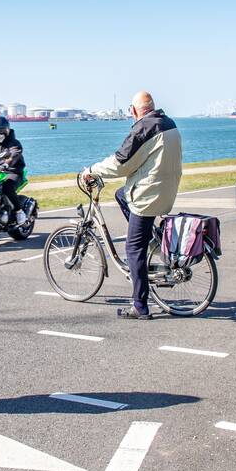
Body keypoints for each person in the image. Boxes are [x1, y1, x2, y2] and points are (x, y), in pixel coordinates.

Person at [83, 91, 182, 319]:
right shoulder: (169, 123)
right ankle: (153, 241)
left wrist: (92, 170)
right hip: (166, 191)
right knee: (121, 194)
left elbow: (121, 163)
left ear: (134, 110)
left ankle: (140, 306)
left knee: (133, 248)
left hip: (148, 197)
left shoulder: (143, 129)